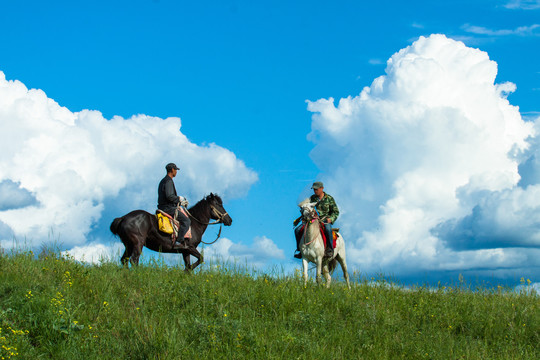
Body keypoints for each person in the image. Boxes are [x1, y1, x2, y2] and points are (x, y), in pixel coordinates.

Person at [294, 181, 339, 259]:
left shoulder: (329, 199)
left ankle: (330, 249)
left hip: (324, 220)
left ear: (322, 188)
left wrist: (331, 219)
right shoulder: (312, 198)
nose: (315, 191)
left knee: (328, 230)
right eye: (314, 189)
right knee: (297, 230)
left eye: (316, 189)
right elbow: (307, 209)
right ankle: (300, 250)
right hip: (313, 220)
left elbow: (335, 212)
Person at [157, 163, 191, 243]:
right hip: (168, 208)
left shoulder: (163, 180)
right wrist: (179, 199)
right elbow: (169, 196)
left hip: (164, 206)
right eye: (176, 170)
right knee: (186, 221)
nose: (176, 172)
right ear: (172, 170)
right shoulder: (168, 181)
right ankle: (179, 240)